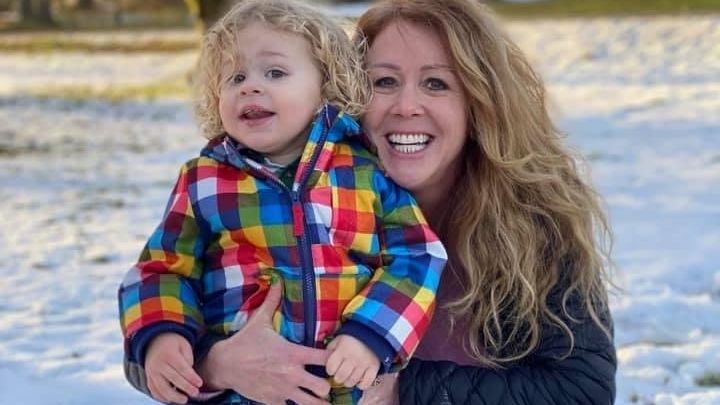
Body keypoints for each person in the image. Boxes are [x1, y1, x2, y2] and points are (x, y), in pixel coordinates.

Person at [122, 0, 617, 404]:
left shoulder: (531, 222)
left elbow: (582, 390)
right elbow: (161, 285)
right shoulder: (238, 187)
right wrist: (215, 364)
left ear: (479, 103)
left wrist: (403, 388)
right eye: (384, 81)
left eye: (436, 83)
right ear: (346, 91)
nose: (406, 106)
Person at [117, 1, 447, 404]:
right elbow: (161, 269)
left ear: (325, 87)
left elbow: (419, 256)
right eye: (235, 77)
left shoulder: (365, 174)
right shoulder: (205, 182)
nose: (250, 86)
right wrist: (162, 336)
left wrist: (371, 335)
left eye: (275, 72)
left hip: (343, 389)